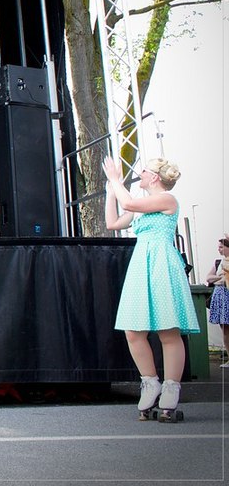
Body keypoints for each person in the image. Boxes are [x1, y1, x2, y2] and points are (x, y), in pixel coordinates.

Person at [102, 156, 198, 422]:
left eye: (144, 171)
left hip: (162, 263)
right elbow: (113, 223)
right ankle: (150, 382)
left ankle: (171, 387)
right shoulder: (141, 206)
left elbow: (129, 203)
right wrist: (111, 191)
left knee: (168, 330)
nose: (140, 175)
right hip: (141, 264)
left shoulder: (167, 200)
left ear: (154, 177)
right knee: (133, 331)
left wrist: (116, 180)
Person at [205, 234, 229, 368]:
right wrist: (219, 278)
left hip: (226, 294)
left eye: (221, 247)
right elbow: (209, 278)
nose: (219, 249)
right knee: (225, 329)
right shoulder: (218, 262)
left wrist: (219, 279)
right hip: (220, 296)